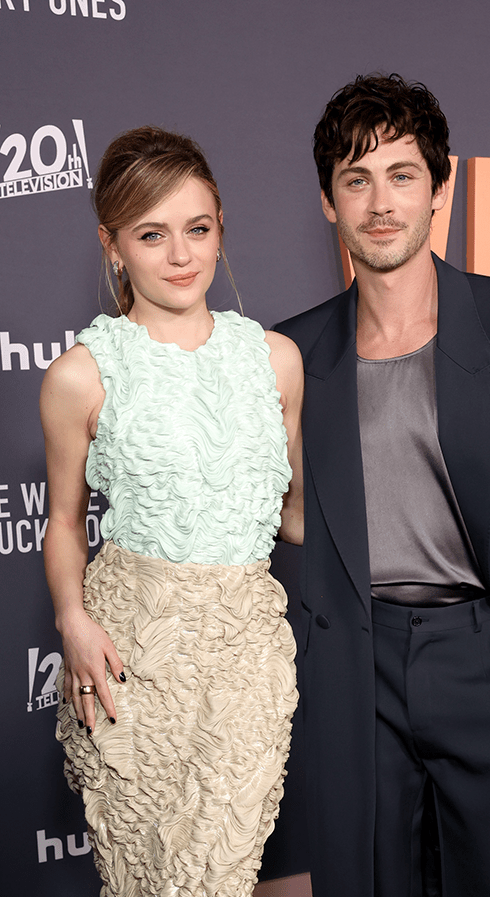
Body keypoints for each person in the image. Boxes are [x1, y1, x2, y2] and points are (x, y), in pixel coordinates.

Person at [275, 74, 490, 897]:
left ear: (440, 186)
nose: (380, 202)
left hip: (487, 654)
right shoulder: (290, 354)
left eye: (401, 174)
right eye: (356, 178)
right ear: (328, 202)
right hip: (357, 667)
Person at [40, 126, 303, 897]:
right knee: (146, 879)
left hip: (245, 654)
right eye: (152, 235)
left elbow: (291, 514)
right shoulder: (80, 375)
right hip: (130, 654)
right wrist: (72, 620)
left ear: (221, 229)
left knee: (216, 869)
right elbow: (61, 521)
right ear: (112, 244)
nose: (182, 255)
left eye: (198, 229)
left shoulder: (275, 360)